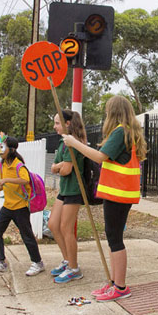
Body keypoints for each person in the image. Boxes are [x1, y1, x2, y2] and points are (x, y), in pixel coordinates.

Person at [61, 95, 147, 302]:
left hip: (117, 194)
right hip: (120, 194)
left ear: (113, 112)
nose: (106, 114)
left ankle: (120, 286)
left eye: (108, 110)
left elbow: (100, 157)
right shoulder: (129, 133)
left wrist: (74, 143)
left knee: (115, 239)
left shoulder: (120, 132)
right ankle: (114, 282)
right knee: (113, 238)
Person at [0, 137, 45, 276]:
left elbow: (25, 180)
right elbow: (3, 182)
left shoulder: (18, 165)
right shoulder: (3, 164)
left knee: (27, 236)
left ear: (11, 150)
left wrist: (6, 180)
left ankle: (38, 263)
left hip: (20, 207)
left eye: (3, 147)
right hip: (8, 206)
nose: (0, 150)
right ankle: (1, 262)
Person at [48, 110, 87, 284]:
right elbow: (54, 167)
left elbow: (66, 170)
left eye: (57, 123)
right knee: (53, 224)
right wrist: (59, 166)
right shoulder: (63, 143)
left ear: (68, 123)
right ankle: (67, 260)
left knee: (66, 228)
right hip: (64, 190)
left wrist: (60, 166)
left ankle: (74, 268)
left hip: (74, 190)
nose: (54, 126)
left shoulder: (73, 143)